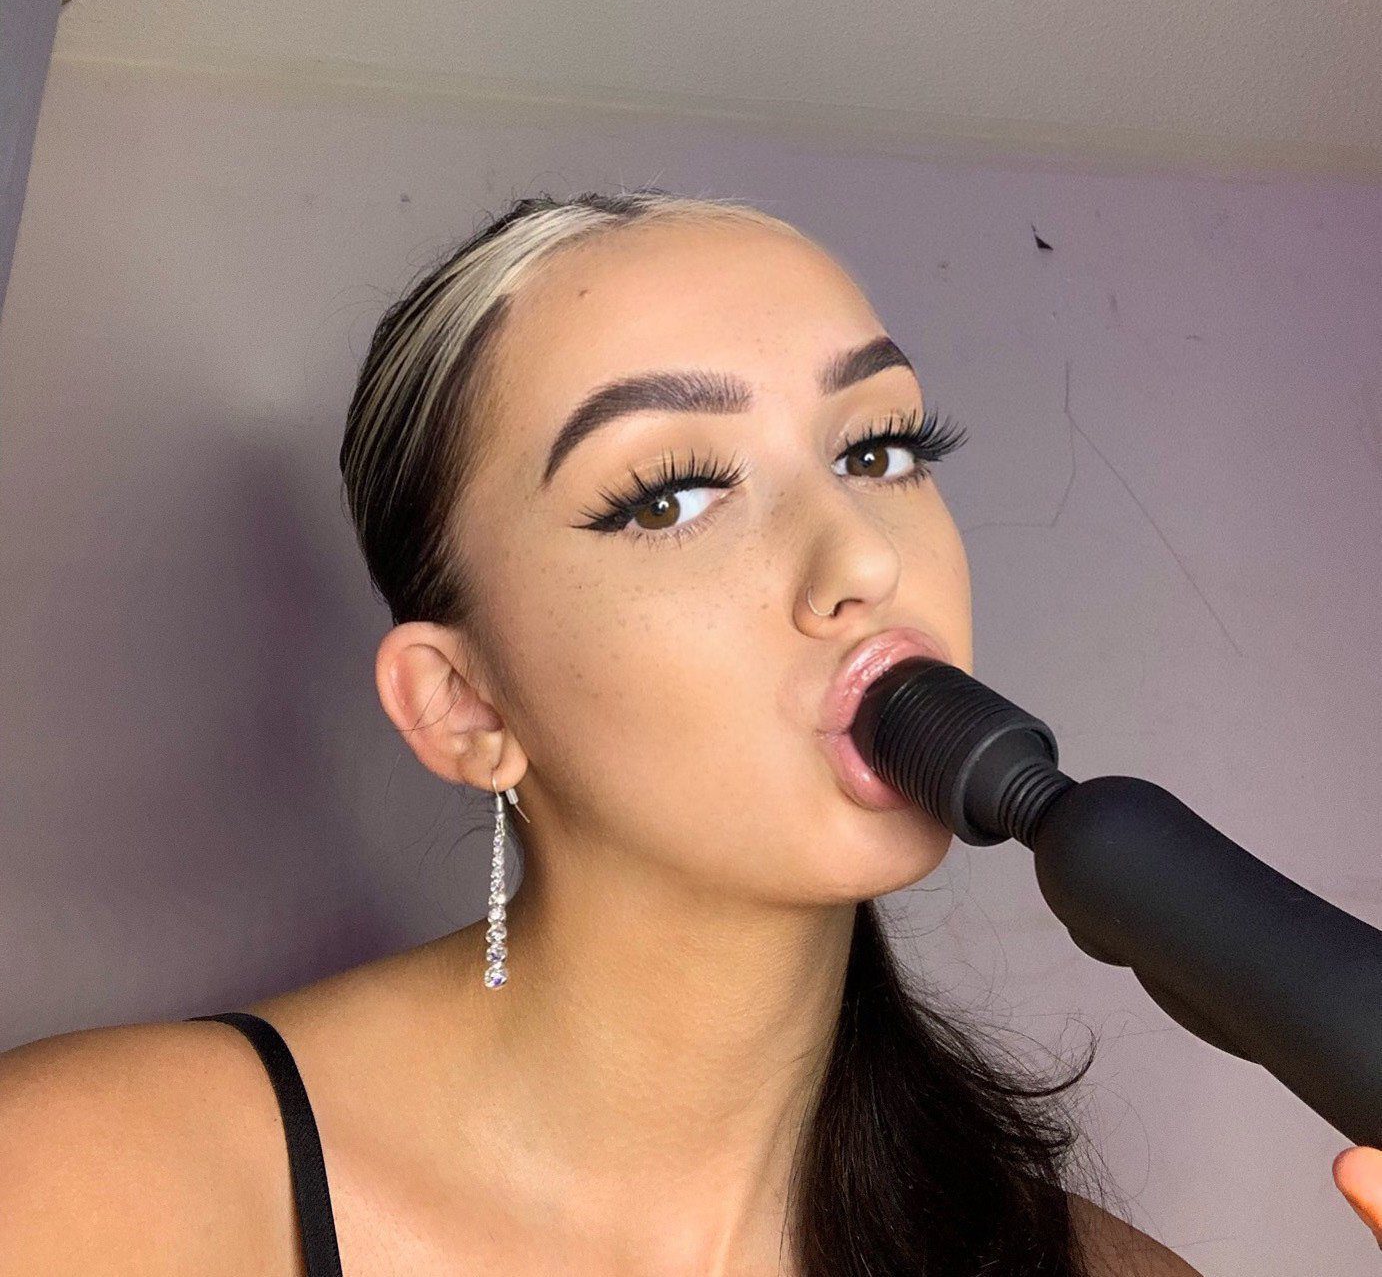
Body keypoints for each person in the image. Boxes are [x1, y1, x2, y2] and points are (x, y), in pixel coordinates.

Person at [0, 187, 1369, 1272]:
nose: (861, 558)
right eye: (667, 498)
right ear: (464, 707)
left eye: (879, 451)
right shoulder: (86, 1192)